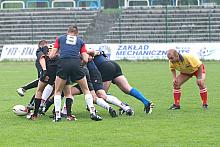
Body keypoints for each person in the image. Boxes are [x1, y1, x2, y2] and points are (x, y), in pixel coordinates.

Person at [49, 25, 102, 122]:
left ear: (67, 32)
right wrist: (80, 65)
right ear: (77, 33)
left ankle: (57, 116)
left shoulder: (60, 39)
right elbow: (86, 59)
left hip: (63, 64)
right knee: (86, 89)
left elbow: (52, 55)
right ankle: (92, 112)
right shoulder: (80, 41)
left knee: (58, 91)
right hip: (76, 64)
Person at [30, 40, 59, 120]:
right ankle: (57, 114)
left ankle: (35, 114)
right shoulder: (58, 51)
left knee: (39, 91)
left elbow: (42, 59)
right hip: (57, 71)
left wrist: (45, 71)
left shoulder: (41, 50)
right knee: (58, 92)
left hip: (47, 70)